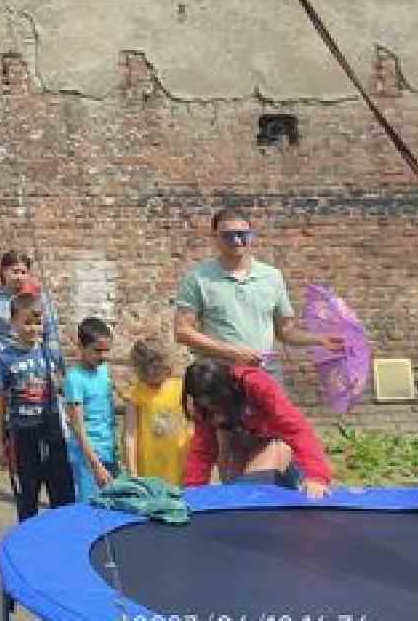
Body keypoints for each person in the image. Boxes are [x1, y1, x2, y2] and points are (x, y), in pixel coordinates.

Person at [173, 208, 338, 380]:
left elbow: (285, 332)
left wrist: (320, 340)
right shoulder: (198, 278)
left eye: (242, 234)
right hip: (221, 376)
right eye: (228, 235)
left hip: (266, 373)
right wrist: (232, 352)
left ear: (251, 235)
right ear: (215, 237)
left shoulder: (272, 276)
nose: (236, 240)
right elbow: (182, 331)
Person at [181, 358, 333, 499]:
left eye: (218, 406)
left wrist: (317, 476)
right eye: (210, 408)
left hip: (274, 441)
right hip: (240, 439)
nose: (217, 415)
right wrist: (194, 490)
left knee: (252, 485)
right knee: (235, 489)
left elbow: (296, 429)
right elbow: (203, 449)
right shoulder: (202, 406)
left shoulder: (256, 384)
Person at [0, 285, 75, 521]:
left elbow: (66, 389)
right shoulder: (5, 358)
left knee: (62, 494)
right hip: (23, 433)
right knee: (28, 495)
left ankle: (63, 538)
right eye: (27, 323)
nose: (33, 328)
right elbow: (0, 402)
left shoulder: (51, 353)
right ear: (13, 322)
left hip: (52, 430)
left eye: (38, 323)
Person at [0, 251, 60, 386]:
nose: (19, 277)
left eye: (23, 272)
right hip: (6, 365)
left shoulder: (40, 299)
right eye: (15, 272)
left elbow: (51, 336)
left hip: (36, 363)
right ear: (3, 271)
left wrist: (54, 367)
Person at [124, 335, 191, 486]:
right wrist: (132, 473)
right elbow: (130, 435)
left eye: (156, 367)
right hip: (149, 468)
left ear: (165, 364)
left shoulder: (181, 387)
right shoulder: (136, 394)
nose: (152, 372)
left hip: (180, 463)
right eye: (146, 369)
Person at [63, 317, 118, 500]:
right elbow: (77, 428)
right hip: (87, 458)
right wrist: (96, 465)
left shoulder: (104, 371)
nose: (103, 356)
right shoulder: (75, 379)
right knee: (91, 507)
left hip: (108, 450)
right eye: (97, 351)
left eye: (106, 351)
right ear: (81, 346)